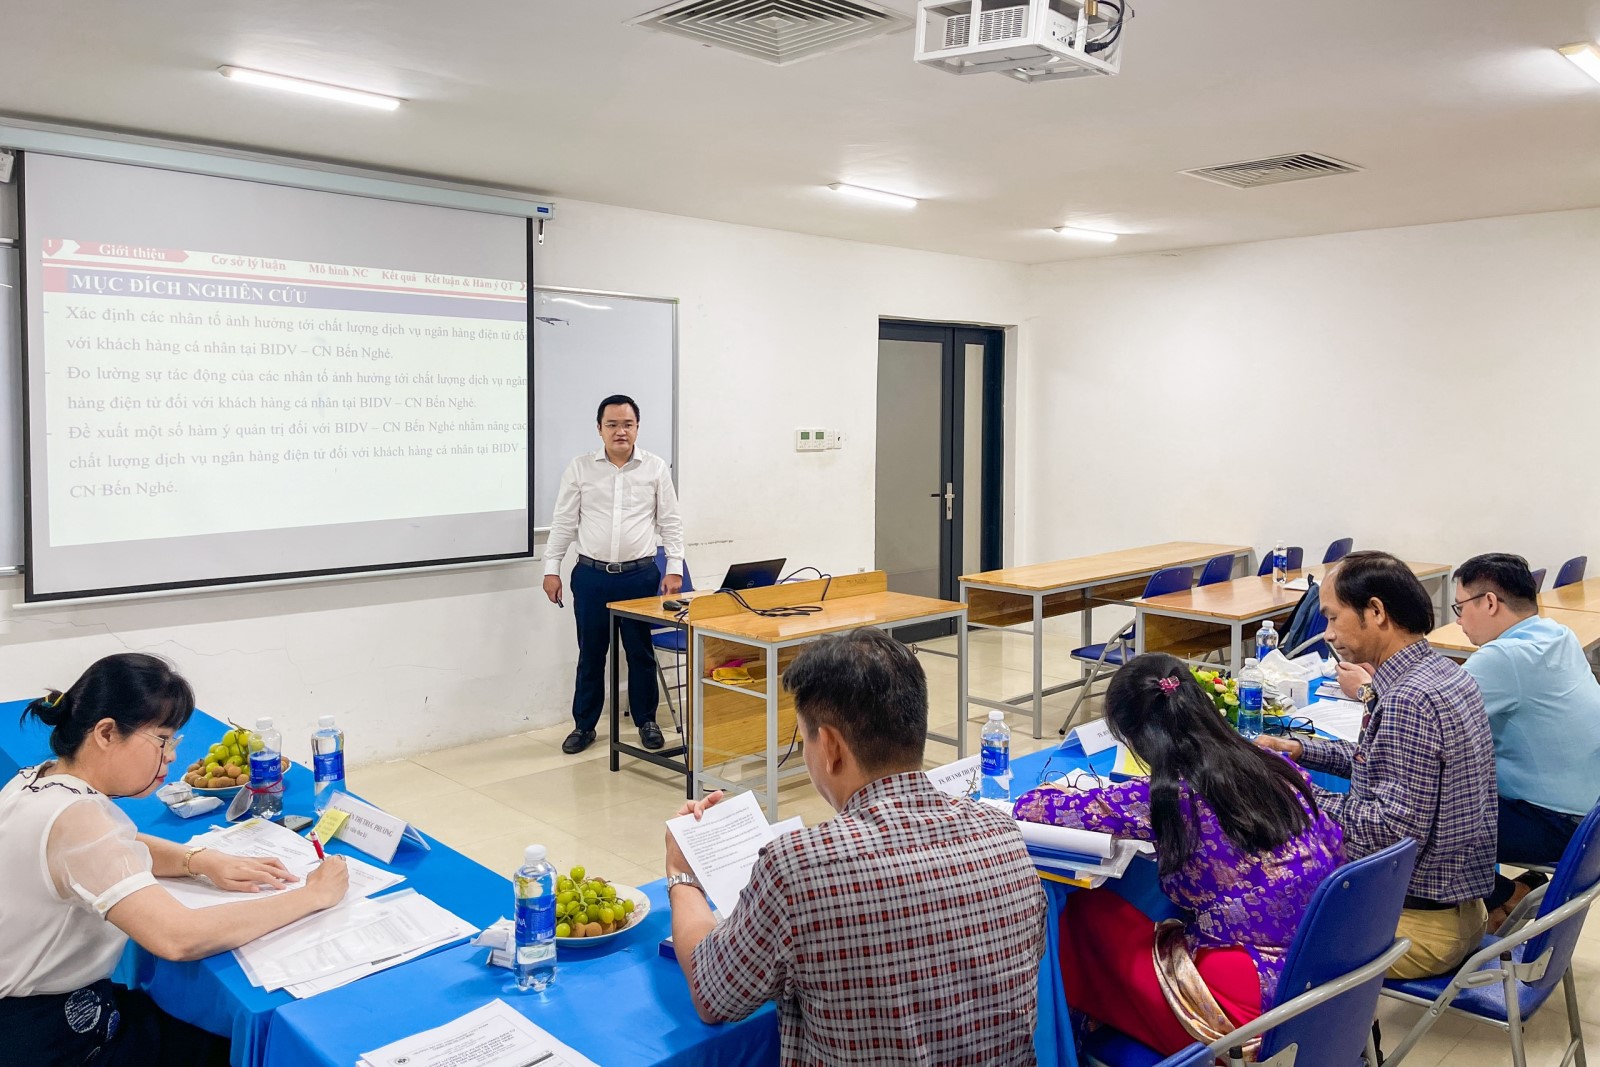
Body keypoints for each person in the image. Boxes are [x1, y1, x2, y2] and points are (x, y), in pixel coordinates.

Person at [663, 628, 1047, 1065]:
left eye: (804, 739)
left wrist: (682, 874)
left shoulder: (799, 867)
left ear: (829, 746)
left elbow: (713, 994)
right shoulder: (1003, 834)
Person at [0, 653, 349, 1067]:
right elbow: (178, 937)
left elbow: (114, 845)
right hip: (49, 1038)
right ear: (106, 733)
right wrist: (312, 896)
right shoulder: (78, 819)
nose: (171, 757)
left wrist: (197, 859)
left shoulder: (39, 779)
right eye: (162, 740)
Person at [1012, 653, 1345, 1057]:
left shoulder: (1171, 795)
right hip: (1320, 968)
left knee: (1083, 913)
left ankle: (1065, 1046)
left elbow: (1031, 808)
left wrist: (1061, 792)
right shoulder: (1273, 764)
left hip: (1248, 1001)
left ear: (1136, 738)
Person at [1258, 551, 1497, 979]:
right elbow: (1382, 763)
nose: (1328, 634)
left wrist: (1295, 791)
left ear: (1376, 611)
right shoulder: (1444, 673)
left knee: (1253, 929)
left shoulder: (1409, 699)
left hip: (1418, 927)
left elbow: (1388, 831)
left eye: (1333, 618)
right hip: (1457, 909)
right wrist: (1299, 751)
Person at [1450, 553, 1600, 922]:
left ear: (1489, 602)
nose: (1458, 620)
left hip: (1556, 825)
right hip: (1590, 820)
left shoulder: (1504, 657)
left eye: (1460, 607)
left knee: (1423, 823)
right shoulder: (1558, 634)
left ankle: (1505, 897)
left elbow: (1433, 720)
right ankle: (1498, 899)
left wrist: (1367, 690)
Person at [543, 394, 685, 755]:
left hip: (640, 577)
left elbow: (670, 521)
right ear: (599, 428)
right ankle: (584, 726)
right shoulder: (580, 468)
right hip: (592, 577)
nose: (620, 431)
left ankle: (646, 722)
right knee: (591, 654)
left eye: (627, 424)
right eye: (612, 424)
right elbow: (563, 522)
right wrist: (551, 568)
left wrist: (674, 568)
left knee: (640, 653)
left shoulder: (655, 468)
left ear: (637, 427)